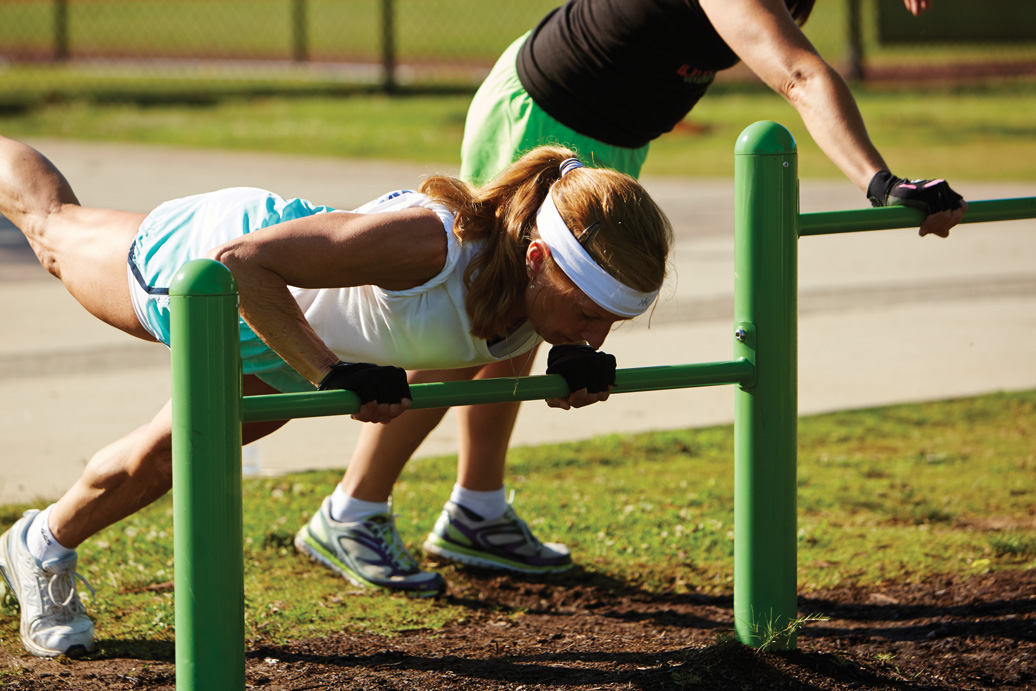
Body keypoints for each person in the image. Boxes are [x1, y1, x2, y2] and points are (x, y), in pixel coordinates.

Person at [327, 0, 969, 594]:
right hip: (548, 111)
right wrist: (880, 181)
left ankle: (478, 509)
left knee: (514, 334)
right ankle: (354, 510)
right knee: (486, 322)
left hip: (615, 134)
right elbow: (796, 74)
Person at [0, 137, 673, 657]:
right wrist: (330, 373)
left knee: (166, 456)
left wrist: (571, 356)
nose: (597, 331)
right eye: (588, 312)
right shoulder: (432, 244)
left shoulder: (527, 292)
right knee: (54, 228)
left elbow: (469, 350)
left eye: (609, 321)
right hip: (217, 272)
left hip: (293, 342)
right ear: (536, 261)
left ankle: (39, 542)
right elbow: (243, 262)